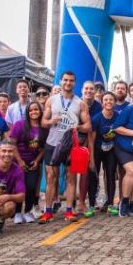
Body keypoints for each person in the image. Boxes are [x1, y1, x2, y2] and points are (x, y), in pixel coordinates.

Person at [40, 71, 91, 223]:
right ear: (61, 81)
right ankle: (48, 211)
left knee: (70, 177)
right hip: (52, 143)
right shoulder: (51, 100)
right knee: (51, 177)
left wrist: (78, 127)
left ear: (75, 83)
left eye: (71, 81)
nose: (68, 83)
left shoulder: (80, 103)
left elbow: (88, 126)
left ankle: (69, 210)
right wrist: (51, 121)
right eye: (65, 80)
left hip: (71, 145)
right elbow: (43, 122)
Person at [9, 101, 47, 224]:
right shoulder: (19, 125)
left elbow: (44, 147)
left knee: (31, 187)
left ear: (40, 111)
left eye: (36, 110)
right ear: (27, 112)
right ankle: (18, 213)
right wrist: (19, 161)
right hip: (18, 161)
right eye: (31, 110)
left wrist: (37, 160)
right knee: (20, 188)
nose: (33, 112)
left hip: (33, 162)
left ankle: (28, 211)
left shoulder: (43, 128)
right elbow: (12, 144)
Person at [89, 91, 120, 214]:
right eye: (106, 100)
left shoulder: (118, 116)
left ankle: (111, 204)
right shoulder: (96, 118)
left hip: (111, 150)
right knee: (93, 176)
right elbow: (91, 140)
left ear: (114, 102)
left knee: (111, 175)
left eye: (111, 100)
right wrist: (91, 158)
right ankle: (91, 205)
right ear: (102, 103)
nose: (108, 102)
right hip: (97, 150)